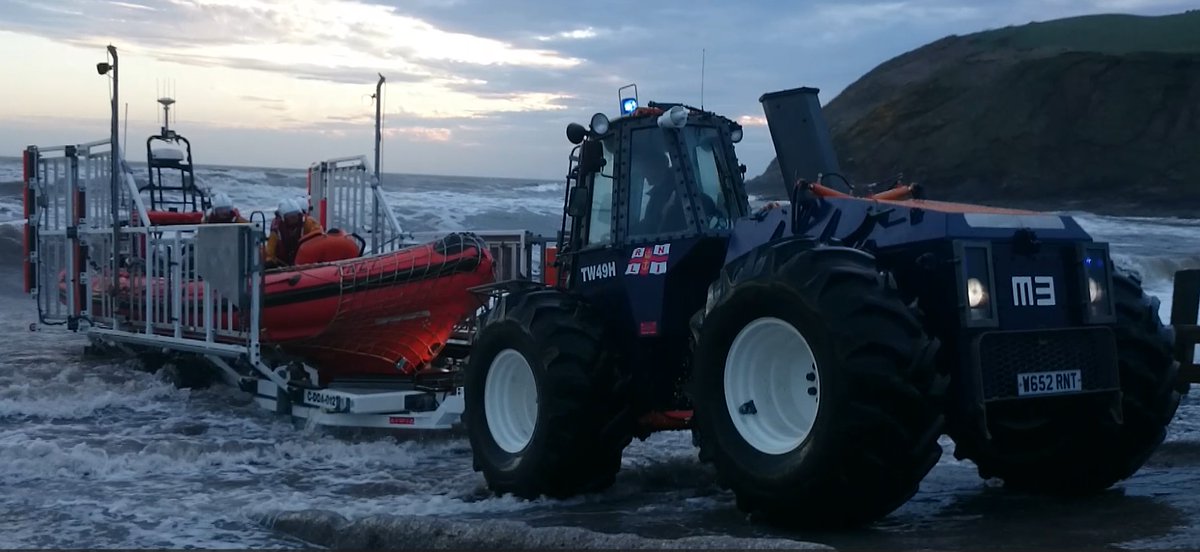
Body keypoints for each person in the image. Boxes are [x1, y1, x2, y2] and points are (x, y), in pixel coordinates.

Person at [264, 198, 323, 268]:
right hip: (284, 263)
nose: (294, 219)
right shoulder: (277, 230)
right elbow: (270, 251)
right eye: (290, 217)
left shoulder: (308, 224)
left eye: (296, 216)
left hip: (305, 261)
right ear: (283, 218)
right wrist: (270, 261)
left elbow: (319, 237)